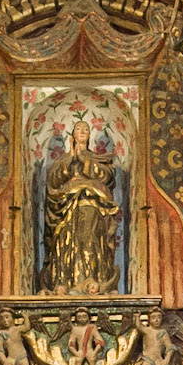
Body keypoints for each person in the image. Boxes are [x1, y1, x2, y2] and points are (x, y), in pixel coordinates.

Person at [41, 123, 121, 295]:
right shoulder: (64, 159)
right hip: (65, 207)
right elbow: (53, 182)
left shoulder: (97, 158)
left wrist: (84, 160)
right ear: (73, 134)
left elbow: (106, 177)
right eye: (78, 129)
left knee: (90, 240)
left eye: (86, 129)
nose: (82, 131)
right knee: (64, 241)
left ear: (90, 134)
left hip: (90, 205)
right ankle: (63, 283)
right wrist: (71, 157)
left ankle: (93, 281)